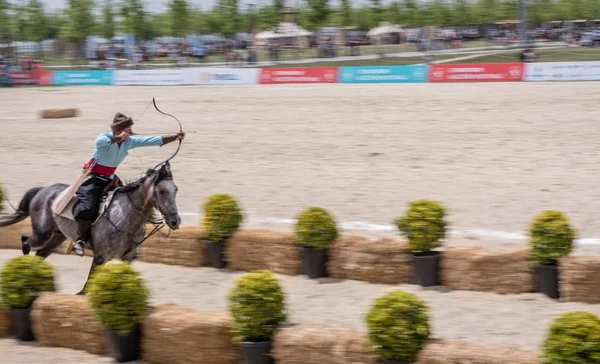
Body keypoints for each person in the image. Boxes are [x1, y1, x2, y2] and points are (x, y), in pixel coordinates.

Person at [70, 112, 185, 256]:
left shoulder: (129, 141)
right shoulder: (104, 137)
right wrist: (118, 138)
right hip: (94, 179)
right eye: (128, 129)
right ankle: (79, 241)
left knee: (128, 205)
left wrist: (175, 137)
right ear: (119, 129)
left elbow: (149, 140)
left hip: (111, 179)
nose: (131, 131)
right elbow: (98, 142)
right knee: (87, 208)